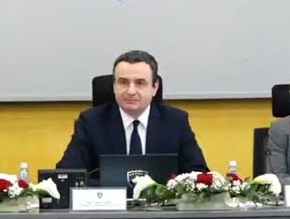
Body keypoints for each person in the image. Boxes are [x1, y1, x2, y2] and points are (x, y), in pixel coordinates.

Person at [57, 50, 208, 177]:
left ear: (155, 87)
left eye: (140, 83)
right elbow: (67, 175)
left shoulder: (176, 122)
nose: (130, 91)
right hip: (108, 203)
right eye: (123, 82)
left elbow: (198, 173)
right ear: (114, 86)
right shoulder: (91, 122)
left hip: (162, 203)